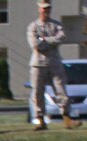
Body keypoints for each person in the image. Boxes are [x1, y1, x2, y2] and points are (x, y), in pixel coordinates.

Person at [28, 0, 81, 130]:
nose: (46, 11)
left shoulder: (57, 25)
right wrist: (50, 42)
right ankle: (40, 119)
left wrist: (45, 40)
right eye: (44, 9)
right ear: (39, 9)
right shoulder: (33, 26)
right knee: (37, 92)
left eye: (48, 8)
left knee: (61, 89)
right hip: (38, 64)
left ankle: (67, 118)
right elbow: (35, 44)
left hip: (54, 62)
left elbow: (61, 38)